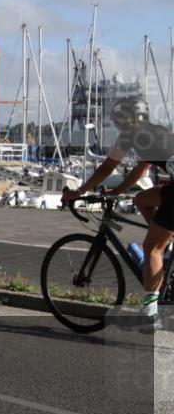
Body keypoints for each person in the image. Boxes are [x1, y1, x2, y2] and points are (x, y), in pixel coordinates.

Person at [62, 97, 173, 329]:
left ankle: (150, 312)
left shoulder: (129, 136)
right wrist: (119, 191)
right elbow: (141, 168)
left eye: (116, 120)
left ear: (127, 119)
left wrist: (80, 191)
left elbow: (107, 167)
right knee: (142, 199)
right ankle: (168, 244)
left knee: (151, 248)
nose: (115, 124)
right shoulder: (153, 131)